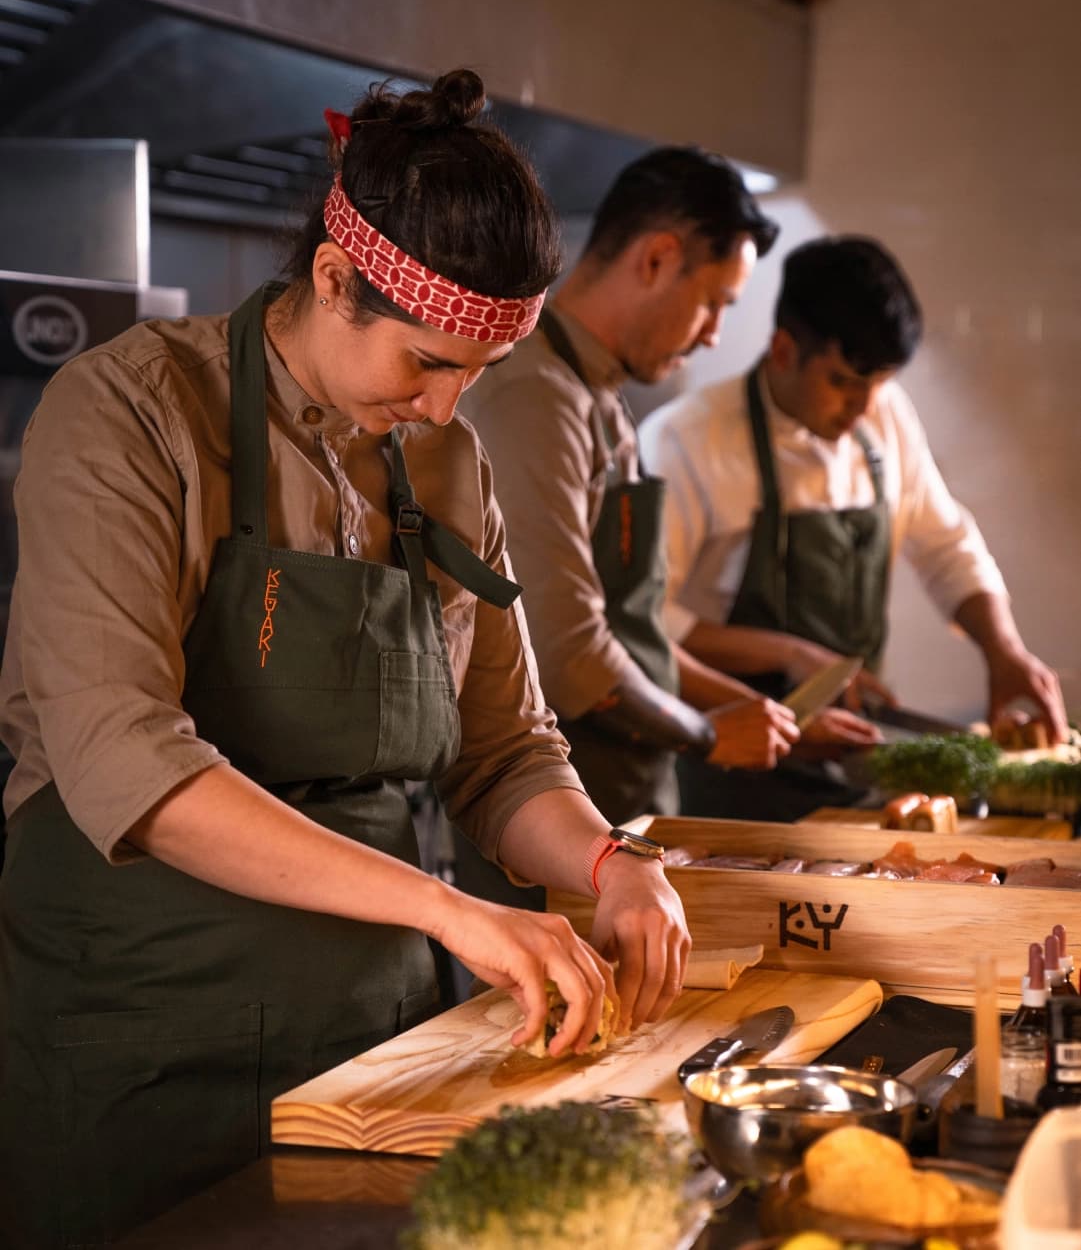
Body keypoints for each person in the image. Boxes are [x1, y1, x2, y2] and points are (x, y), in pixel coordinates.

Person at [0, 70, 689, 1249]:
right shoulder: (131, 409)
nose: (445, 407)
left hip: (376, 1048)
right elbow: (127, 760)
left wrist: (609, 863)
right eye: (426, 362)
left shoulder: (447, 465)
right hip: (143, 1039)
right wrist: (448, 910)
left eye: (479, 373)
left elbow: (504, 751)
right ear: (331, 279)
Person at [460, 148, 871, 887]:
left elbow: (630, 630)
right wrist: (710, 734)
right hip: (553, 844)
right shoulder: (533, 396)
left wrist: (761, 712)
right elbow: (567, 648)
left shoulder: (602, 400)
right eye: (714, 302)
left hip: (626, 820)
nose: (714, 333)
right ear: (656, 259)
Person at [639, 234, 1068, 818]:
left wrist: (1003, 650)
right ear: (785, 350)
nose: (864, 406)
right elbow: (648, 624)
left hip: (854, 772)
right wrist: (792, 653)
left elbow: (945, 546)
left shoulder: (883, 418)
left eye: (879, 384)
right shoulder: (685, 441)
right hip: (728, 783)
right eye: (842, 381)